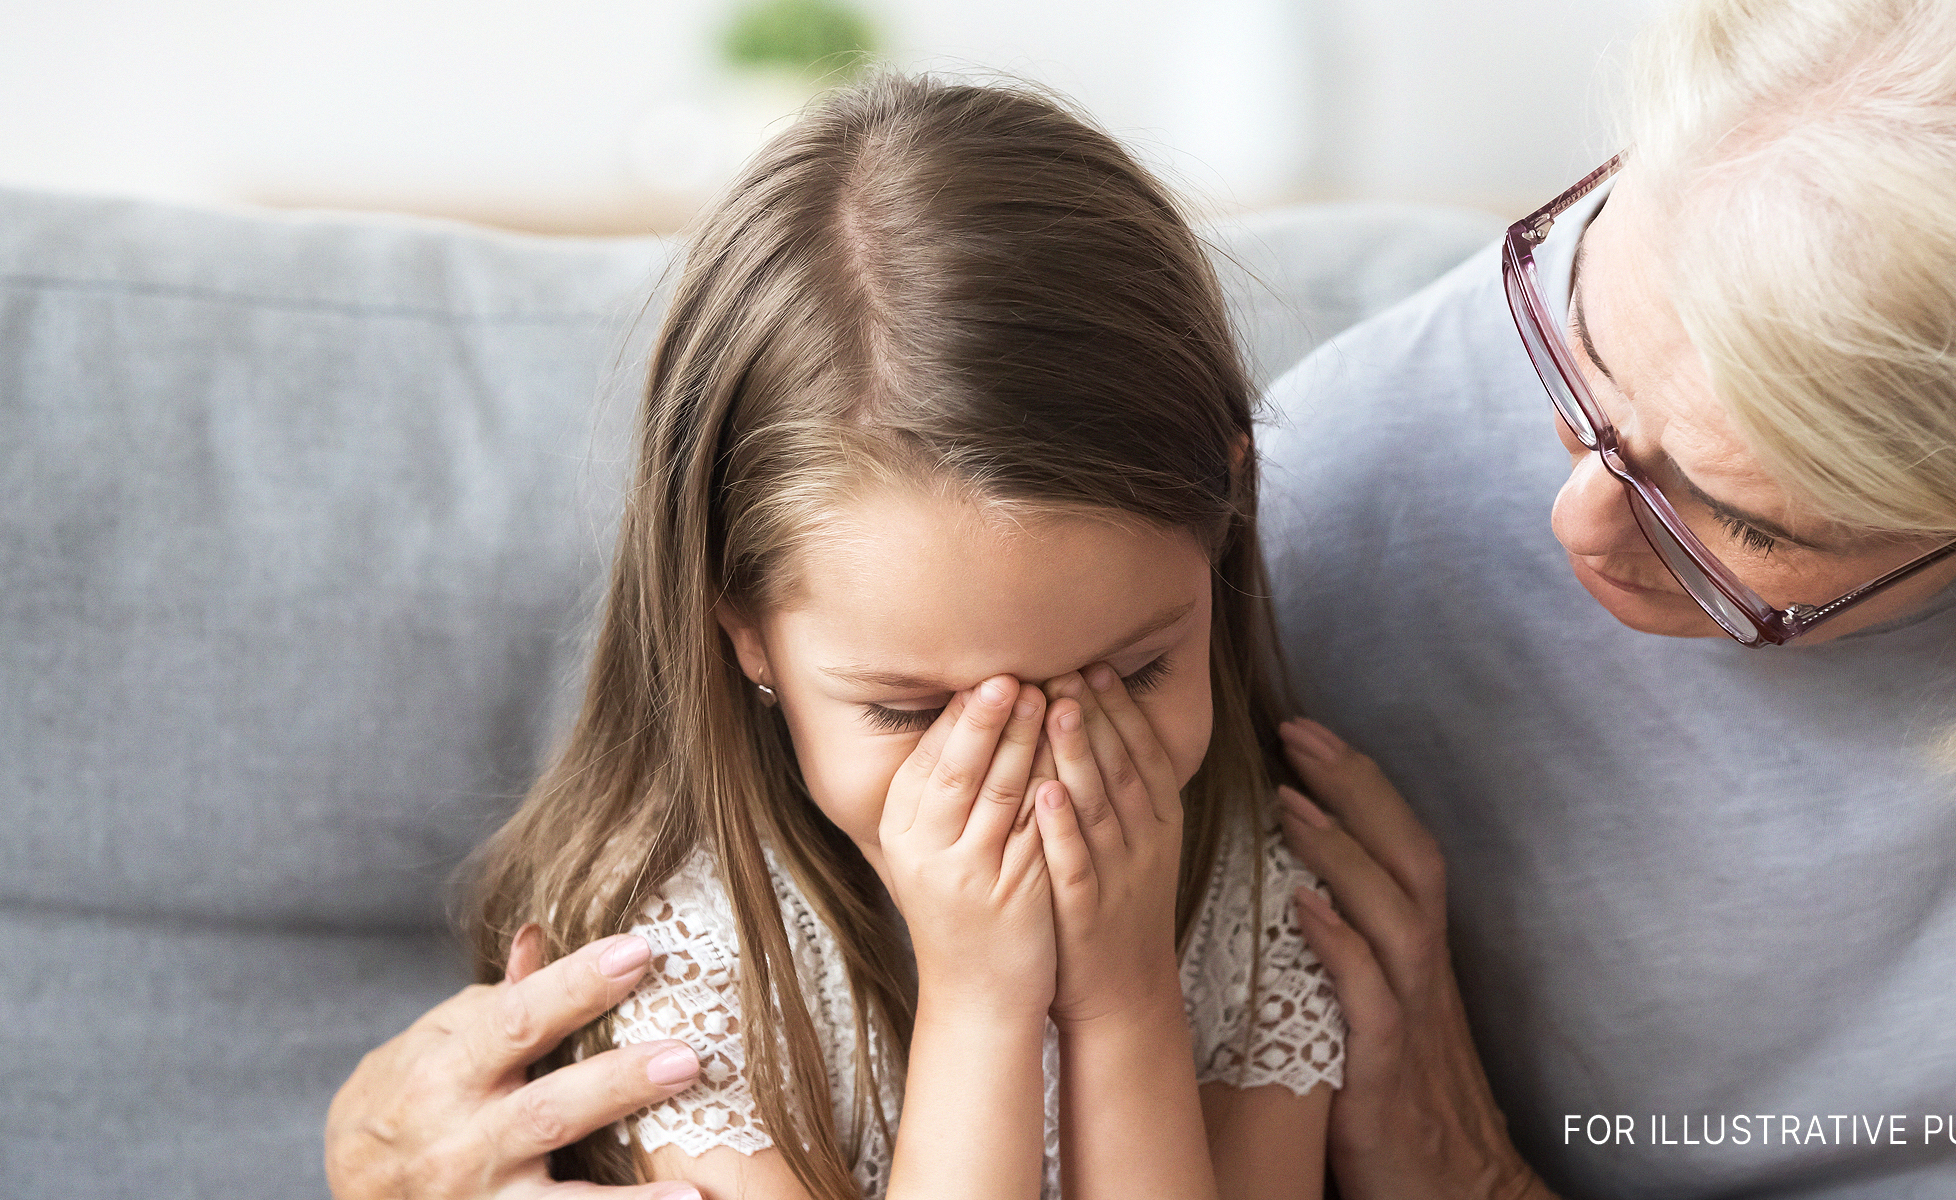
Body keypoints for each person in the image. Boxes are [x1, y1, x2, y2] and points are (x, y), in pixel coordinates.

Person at [324, 1, 1956, 1197]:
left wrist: (1122, 986)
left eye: (1735, 527)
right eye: (1584, 341)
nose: (1569, 527)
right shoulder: (1329, 531)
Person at [429, 75, 1343, 1200]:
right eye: (911, 711)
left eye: (1133, 674)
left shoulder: (1253, 897)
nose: (1038, 778)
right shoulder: (683, 951)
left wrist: (1127, 1001)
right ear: (745, 632)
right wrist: (982, 1007)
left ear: (1224, 525)